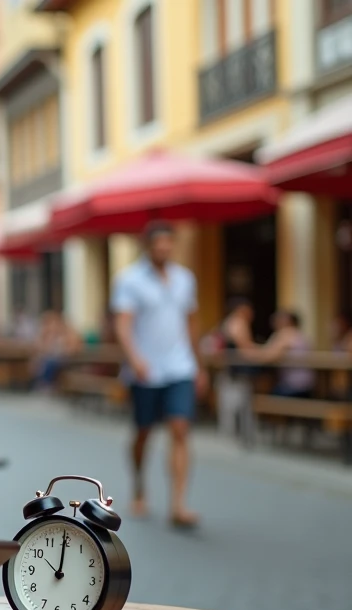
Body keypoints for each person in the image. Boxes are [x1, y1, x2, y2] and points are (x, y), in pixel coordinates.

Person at [111, 221, 208, 527]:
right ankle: (139, 484)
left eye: (169, 242)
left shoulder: (184, 279)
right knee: (144, 433)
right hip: (146, 371)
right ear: (148, 246)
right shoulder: (130, 280)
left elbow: (190, 322)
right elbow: (123, 324)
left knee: (180, 429)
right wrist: (135, 359)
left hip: (180, 367)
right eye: (158, 243)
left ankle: (178, 505)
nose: (164, 248)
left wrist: (199, 364)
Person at [241, 309, 315, 398]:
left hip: (293, 386)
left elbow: (268, 356)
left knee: (265, 398)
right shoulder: (300, 335)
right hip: (307, 385)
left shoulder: (287, 334)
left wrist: (246, 353)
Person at [212, 297, 257, 440]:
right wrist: (263, 353)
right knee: (239, 401)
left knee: (230, 401)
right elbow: (245, 347)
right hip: (237, 370)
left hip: (230, 369)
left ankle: (231, 430)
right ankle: (240, 430)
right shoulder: (238, 323)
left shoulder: (228, 322)